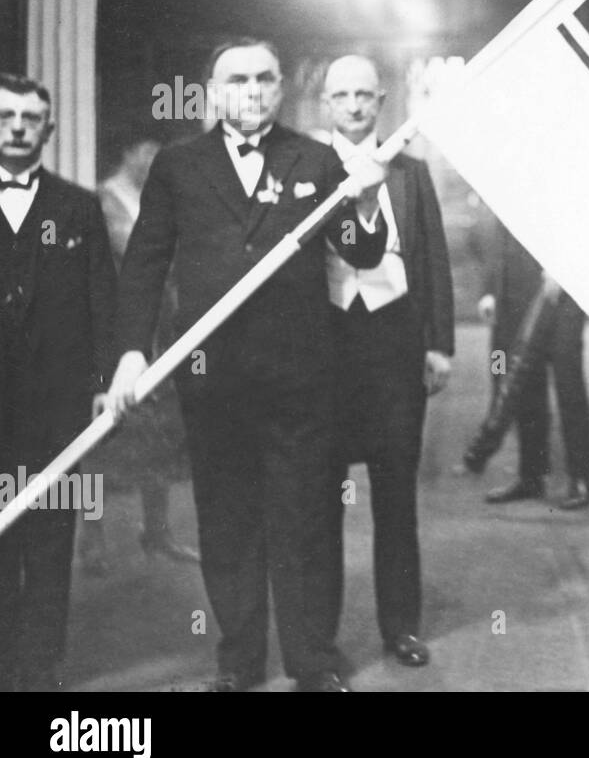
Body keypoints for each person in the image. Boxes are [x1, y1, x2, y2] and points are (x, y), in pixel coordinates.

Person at [105, 39, 389, 693]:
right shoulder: (178, 165)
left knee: (305, 518)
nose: (253, 88)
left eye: (265, 78)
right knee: (227, 519)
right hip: (213, 378)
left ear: (281, 87)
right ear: (212, 89)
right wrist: (128, 354)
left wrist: (366, 201)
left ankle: (311, 659)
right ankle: (237, 661)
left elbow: (360, 250)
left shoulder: (315, 158)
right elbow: (145, 262)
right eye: (239, 78)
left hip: (300, 376)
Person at [321, 55, 454, 669]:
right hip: (326, 350)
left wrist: (439, 344)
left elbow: (432, 258)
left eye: (364, 96)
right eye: (341, 95)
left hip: (395, 344)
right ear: (326, 103)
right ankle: (315, 640)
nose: (353, 106)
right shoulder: (305, 168)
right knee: (319, 498)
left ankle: (400, 627)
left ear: (381, 101)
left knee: (396, 495)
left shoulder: (410, 172)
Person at [0, 72, 116, 691]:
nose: (17, 128)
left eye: (29, 118)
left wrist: (102, 381)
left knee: (48, 541)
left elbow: (104, 298)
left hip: (56, 410)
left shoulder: (78, 207)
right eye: (5, 116)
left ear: (48, 129)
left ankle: (40, 670)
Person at [78, 138, 198, 573]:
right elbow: (131, 254)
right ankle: (91, 540)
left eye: (157, 151)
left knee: (159, 428)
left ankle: (158, 532)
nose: (151, 159)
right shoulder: (100, 200)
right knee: (102, 437)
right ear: (125, 151)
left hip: (159, 327)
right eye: (144, 150)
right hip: (112, 328)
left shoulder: (159, 196)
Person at [475, 219, 589, 509]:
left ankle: (581, 476)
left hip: (560, 289)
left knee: (568, 381)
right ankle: (531, 475)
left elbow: (587, 221)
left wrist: (565, 270)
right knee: (526, 387)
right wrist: (490, 289)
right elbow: (492, 232)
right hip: (516, 285)